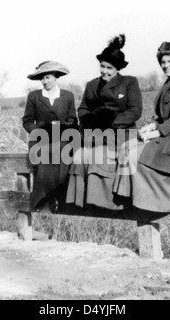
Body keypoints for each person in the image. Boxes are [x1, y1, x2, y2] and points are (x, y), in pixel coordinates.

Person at [114, 41, 170, 213]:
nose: (166, 65)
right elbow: (165, 116)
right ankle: (126, 196)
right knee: (125, 148)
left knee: (133, 156)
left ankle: (147, 204)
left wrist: (157, 132)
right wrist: (152, 125)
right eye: (163, 62)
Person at [66, 34, 143, 210]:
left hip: (120, 134)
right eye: (102, 66)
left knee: (99, 156)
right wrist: (90, 120)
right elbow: (83, 109)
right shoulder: (91, 85)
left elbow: (135, 111)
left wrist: (112, 121)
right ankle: (77, 201)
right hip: (94, 133)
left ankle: (106, 203)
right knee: (78, 156)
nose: (105, 71)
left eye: (110, 68)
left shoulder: (129, 82)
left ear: (117, 69)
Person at [23, 61, 77, 211]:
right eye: (42, 79)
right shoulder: (34, 96)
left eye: (47, 77)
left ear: (55, 77)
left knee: (64, 152)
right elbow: (27, 121)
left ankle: (61, 198)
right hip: (41, 140)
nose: (44, 81)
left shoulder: (67, 96)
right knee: (46, 153)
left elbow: (72, 120)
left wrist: (62, 131)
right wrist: (38, 133)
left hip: (63, 139)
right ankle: (42, 199)